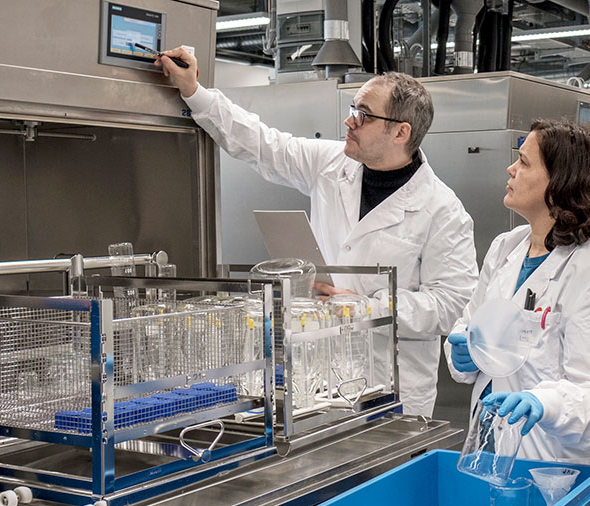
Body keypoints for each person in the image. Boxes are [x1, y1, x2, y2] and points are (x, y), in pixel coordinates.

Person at [156, 48, 478, 417]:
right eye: (353, 108)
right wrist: (195, 92)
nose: (349, 121)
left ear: (400, 132)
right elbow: (263, 145)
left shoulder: (442, 210)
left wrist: (365, 307)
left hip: (394, 388)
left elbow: (451, 304)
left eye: (363, 114)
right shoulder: (332, 164)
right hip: (318, 380)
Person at [446, 120, 590, 506]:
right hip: (497, 458)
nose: (510, 169)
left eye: (523, 162)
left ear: (561, 183)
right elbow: (469, 322)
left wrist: (544, 402)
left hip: (565, 471)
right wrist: (465, 352)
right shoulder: (506, 248)